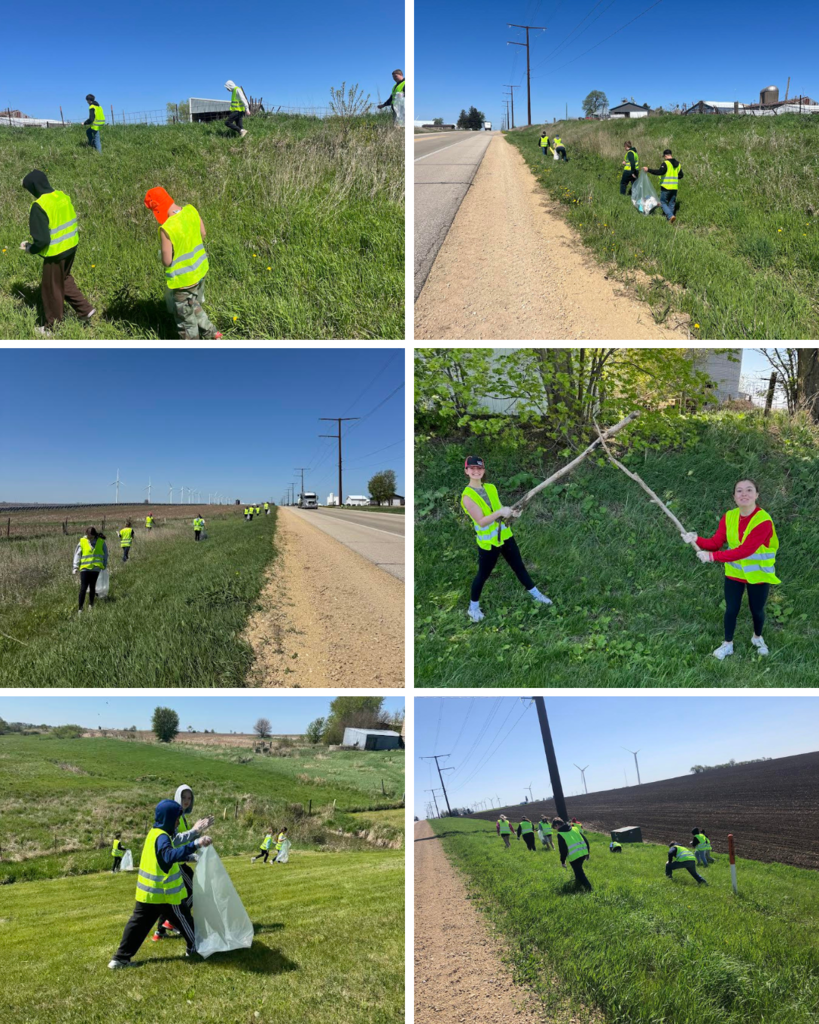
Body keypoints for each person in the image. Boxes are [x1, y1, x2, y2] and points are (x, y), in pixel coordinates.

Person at [681, 478, 779, 661]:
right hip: (734, 573)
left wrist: (712, 557)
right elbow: (716, 543)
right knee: (731, 609)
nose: (744, 494)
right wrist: (696, 539)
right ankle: (728, 644)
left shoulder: (764, 521)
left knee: (756, 610)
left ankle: (757, 638)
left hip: (758, 575)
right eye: (739, 491)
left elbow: (745, 550)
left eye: (749, 490)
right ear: (734, 497)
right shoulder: (730, 516)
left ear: (757, 495)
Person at [108, 799, 213, 967]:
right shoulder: (163, 837)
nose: (178, 822)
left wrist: (188, 857)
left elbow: (162, 859)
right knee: (184, 918)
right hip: (165, 893)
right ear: (169, 818)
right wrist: (195, 844)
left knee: (137, 926)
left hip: (148, 893)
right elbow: (168, 856)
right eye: (177, 819)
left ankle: (120, 958)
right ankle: (196, 947)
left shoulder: (154, 833)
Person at [461, 456, 552, 623]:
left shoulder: (491, 488)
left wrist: (512, 513)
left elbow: (500, 512)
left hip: (505, 536)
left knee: (519, 566)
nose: (476, 471)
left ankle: (537, 595)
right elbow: (481, 522)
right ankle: (473, 607)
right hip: (489, 543)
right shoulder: (467, 496)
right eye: (472, 468)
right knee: (483, 574)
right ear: (466, 471)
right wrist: (500, 513)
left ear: (483, 470)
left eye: (479, 468)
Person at [19, 170, 95, 335]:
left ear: (33, 187)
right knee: (64, 279)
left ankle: (52, 328)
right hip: (71, 246)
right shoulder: (62, 196)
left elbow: (43, 240)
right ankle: (85, 310)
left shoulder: (39, 206)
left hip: (55, 253)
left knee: (50, 288)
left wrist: (30, 248)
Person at [143, 187, 222, 341]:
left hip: (183, 281)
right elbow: (203, 234)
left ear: (158, 209)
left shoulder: (167, 229)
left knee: (186, 320)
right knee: (194, 304)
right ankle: (212, 333)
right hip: (200, 271)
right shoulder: (191, 210)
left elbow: (167, 261)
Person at [152, 784, 213, 942]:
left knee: (169, 899)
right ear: (177, 796)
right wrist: (195, 832)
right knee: (192, 892)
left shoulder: (181, 817)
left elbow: (185, 839)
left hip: (179, 860)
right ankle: (173, 922)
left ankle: (160, 930)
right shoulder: (173, 817)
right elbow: (177, 840)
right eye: (183, 797)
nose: (186, 801)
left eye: (189, 798)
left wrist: (197, 833)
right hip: (176, 863)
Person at [72, 527, 108, 613]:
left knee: (92, 587)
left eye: (91, 537)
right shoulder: (82, 541)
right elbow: (77, 554)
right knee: (83, 588)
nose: (90, 538)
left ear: (94, 535)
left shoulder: (101, 542)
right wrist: (75, 567)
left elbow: (105, 554)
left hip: (96, 568)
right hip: (85, 568)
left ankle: (90, 605)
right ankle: (80, 609)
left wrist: (104, 565)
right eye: (88, 537)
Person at [642, 149, 683, 222]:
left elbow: (659, 172)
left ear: (666, 155)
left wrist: (648, 170)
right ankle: (670, 219)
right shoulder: (678, 164)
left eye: (664, 156)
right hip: (674, 187)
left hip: (666, 187)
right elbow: (681, 175)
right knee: (671, 203)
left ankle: (670, 216)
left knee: (663, 202)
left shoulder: (666, 163)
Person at [554, 817, 592, 890]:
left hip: (574, 856)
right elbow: (585, 840)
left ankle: (589, 889)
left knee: (580, 873)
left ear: (557, 825)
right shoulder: (574, 828)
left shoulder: (560, 834)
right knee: (578, 870)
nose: (556, 829)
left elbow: (563, 849)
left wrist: (563, 861)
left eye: (555, 827)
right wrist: (587, 852)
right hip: (583, 853)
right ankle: (578, 884)